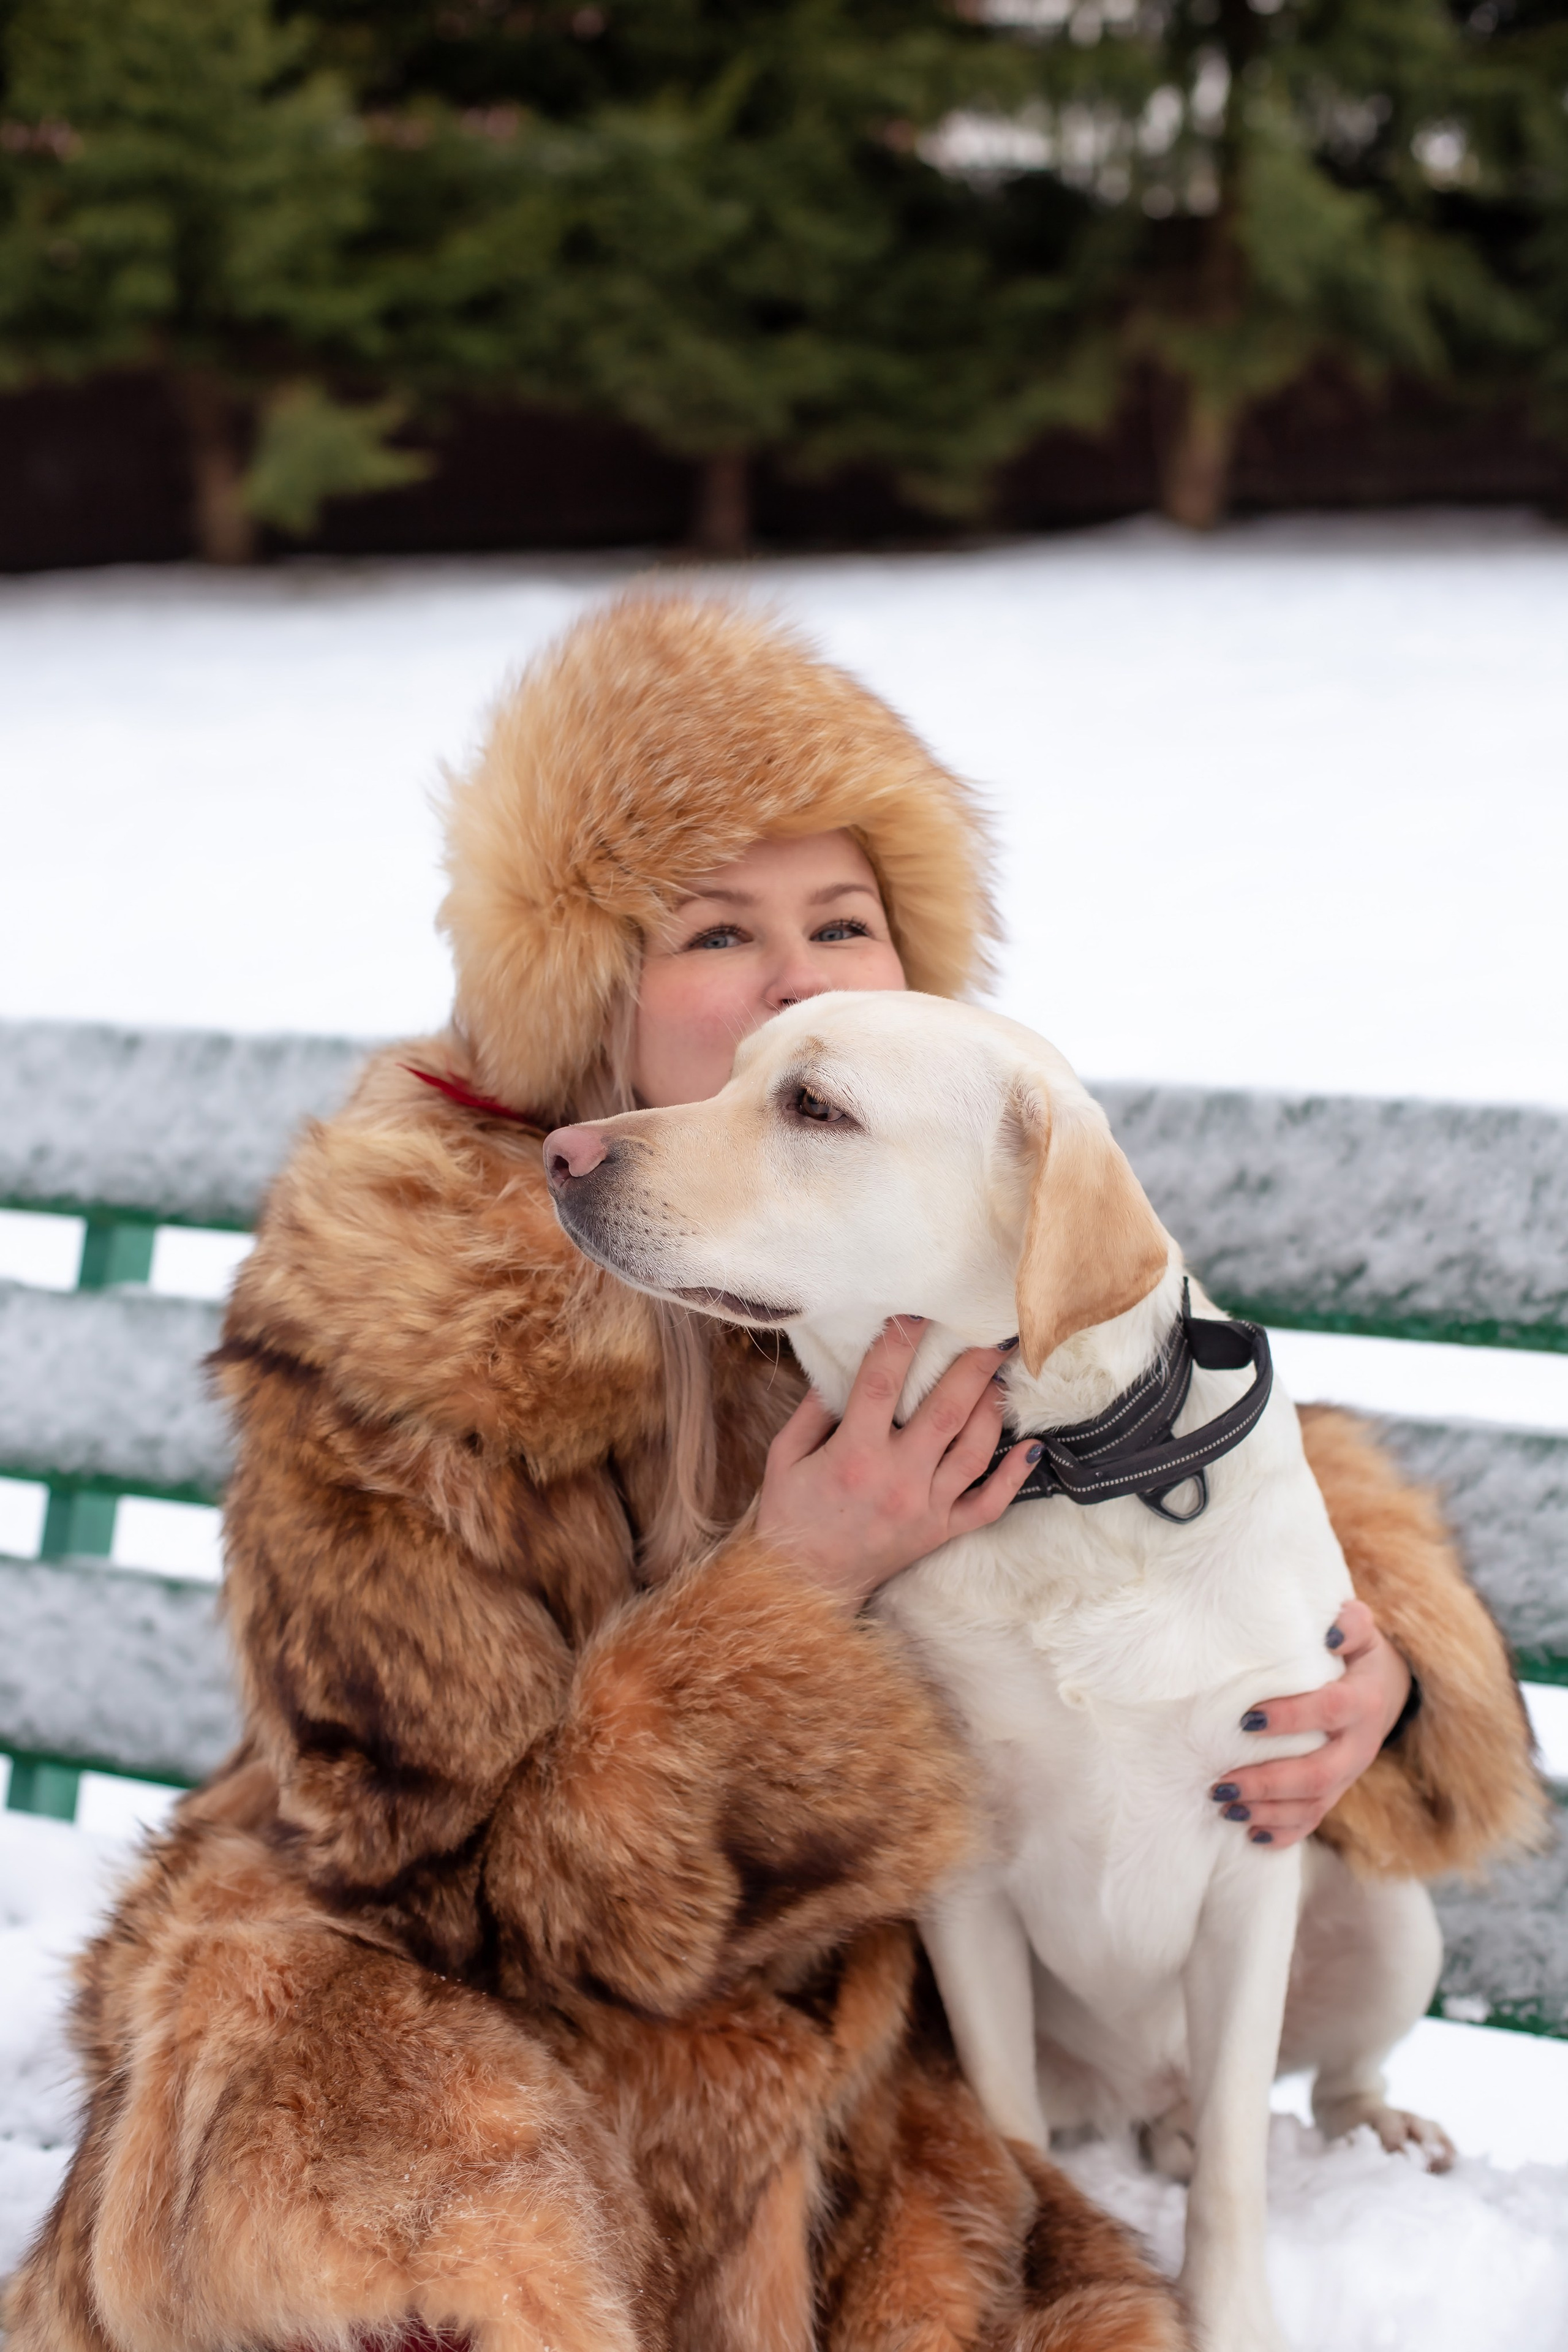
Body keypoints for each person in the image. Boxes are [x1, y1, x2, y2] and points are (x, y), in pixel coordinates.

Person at [8, 594, 1540, 2352]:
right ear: (593, 982)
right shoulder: (414, 1324)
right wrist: (787, 1597)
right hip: (472, 1965)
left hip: (903, 1995)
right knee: (392, 2173)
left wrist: (1378, 1676)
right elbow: (448, 1881)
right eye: (718, 929)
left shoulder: (917, 1182)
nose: (801, 975)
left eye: (846, 922)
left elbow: (1187, 1455)